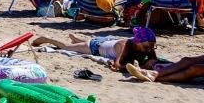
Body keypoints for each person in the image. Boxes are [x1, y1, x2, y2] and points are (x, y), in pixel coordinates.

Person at [24, 27, 159, 77]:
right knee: (66, 47)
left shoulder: (145, 46)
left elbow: (153, 59)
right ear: (137, 42)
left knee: (83, 43)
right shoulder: (124, 46)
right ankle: (47, 39)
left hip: (108, 41)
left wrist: (151, 62)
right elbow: (117, 65)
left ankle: (76, 39)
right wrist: (135, 69)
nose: (149, 50)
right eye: (146, 47)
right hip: (95, 46)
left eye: (151, 47)